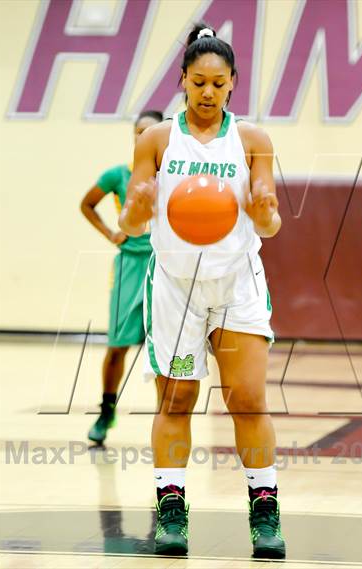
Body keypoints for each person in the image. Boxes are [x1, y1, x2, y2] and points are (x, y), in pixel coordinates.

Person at [119, 23, 285, 559]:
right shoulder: (158, 140)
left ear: (233, 82)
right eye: (198, 82)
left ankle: (264, 510)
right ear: (183, 82)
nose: (207, 92)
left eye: (218, 83)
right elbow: (132, 223)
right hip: (175, 284)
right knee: (177, 398)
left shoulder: (254, 139)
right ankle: (172, 508)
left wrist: (264, 212)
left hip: (236, 280)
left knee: (248, 399)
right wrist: (138, 210)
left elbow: (269, 225)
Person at [80, 110, 163, 445]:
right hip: (129, 264)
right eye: (139, 131)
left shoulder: (174, 175)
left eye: (151, 131)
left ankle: (166, 418)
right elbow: (87, 204)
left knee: (166, 352)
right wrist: (109, 234)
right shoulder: (117, 175)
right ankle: (106, 411)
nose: (144, 136)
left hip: (164, 265)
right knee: (117, 347)